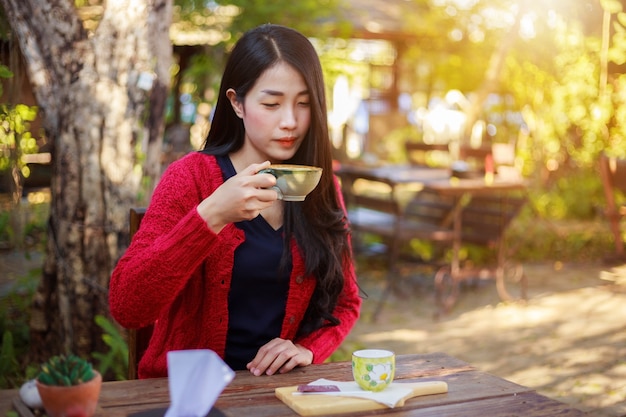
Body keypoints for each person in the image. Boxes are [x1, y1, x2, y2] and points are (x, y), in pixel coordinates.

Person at [109, 24, 362, 379]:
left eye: (303, 104)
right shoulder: (191, 178)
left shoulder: (319, 186)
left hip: (274, 393)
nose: (290, 121)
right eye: (271, 104)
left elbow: (346, 302)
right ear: (237, 103)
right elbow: (128, 306)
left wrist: (308, 348)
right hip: (187, 395)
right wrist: (210, 216)